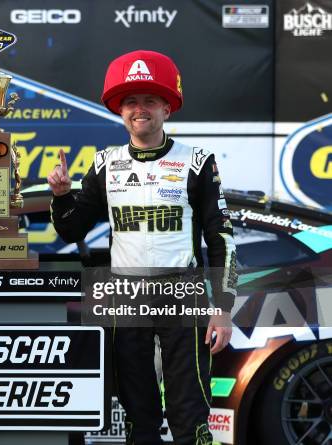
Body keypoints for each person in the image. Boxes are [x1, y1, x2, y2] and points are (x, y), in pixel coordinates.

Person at [48, 50, 237, 445]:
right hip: (126, 294)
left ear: (167, 107)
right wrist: (63, 197)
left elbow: (221, 237)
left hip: (182, 293)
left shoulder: (198, 162)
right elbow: (71, 230)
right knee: (139, 416)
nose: (140, 109)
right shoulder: (105, 164)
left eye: (150, 99)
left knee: (191, 414)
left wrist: (222, 307)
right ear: (120, 110)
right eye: (131, 101)